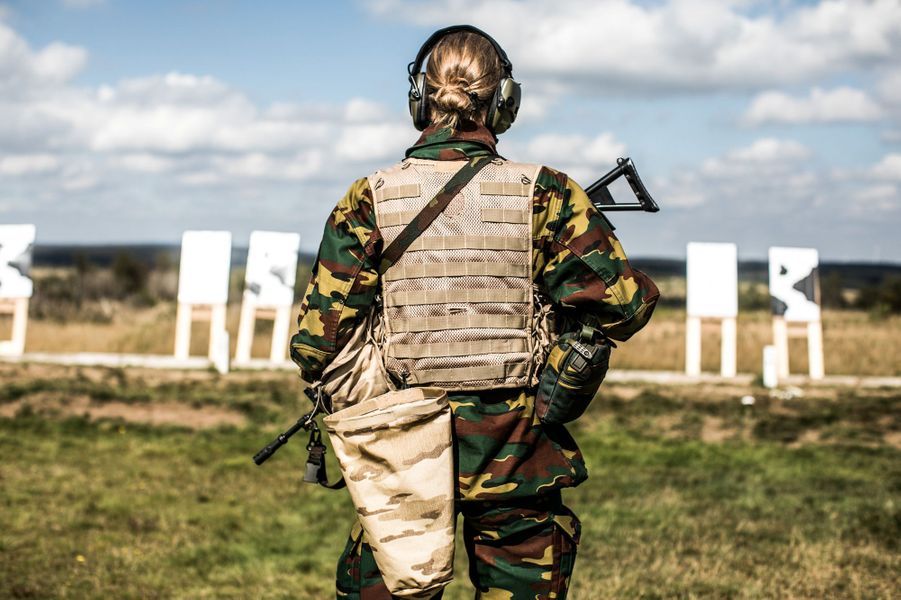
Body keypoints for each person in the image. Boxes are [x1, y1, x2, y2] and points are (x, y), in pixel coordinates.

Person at [290, 25, 659, 600]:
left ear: (419, 99)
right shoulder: (548, 193)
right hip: (517, 452)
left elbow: (316, 345)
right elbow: (625, 306)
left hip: (402, 450)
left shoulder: (368, 197)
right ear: (504, 102)